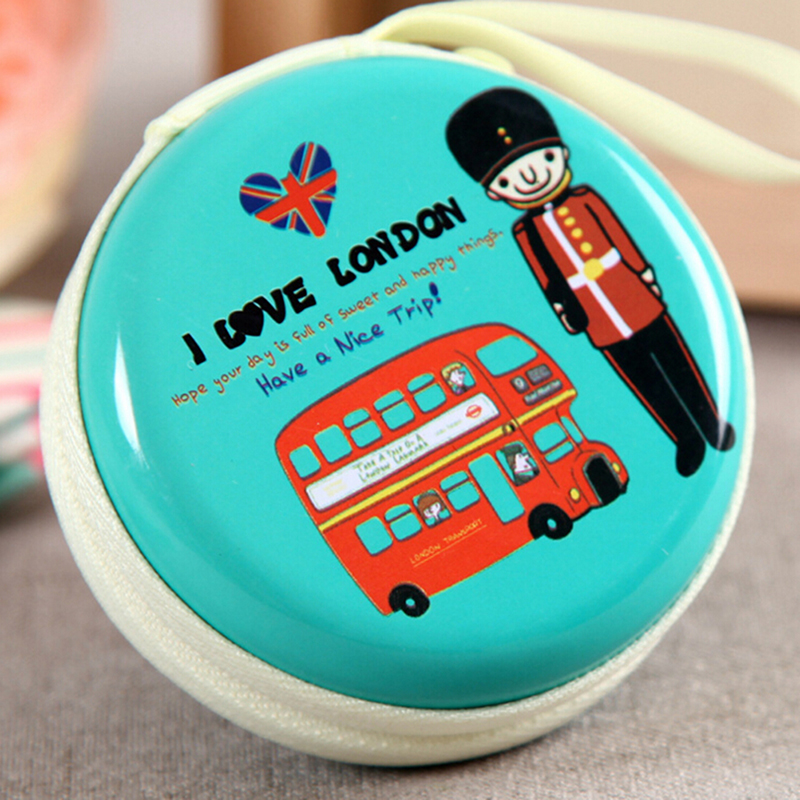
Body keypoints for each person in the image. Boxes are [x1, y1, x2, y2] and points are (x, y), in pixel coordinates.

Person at [446, 88, 735, 477]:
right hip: (595, 318)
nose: (531, 176)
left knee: (676, 360)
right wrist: (564, 313)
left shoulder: (585, 198)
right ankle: (685, 438)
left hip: (632, 293)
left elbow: (619, 236)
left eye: (544, 159)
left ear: (562, 154)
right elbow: (546, 279)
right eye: (510, 177)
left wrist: (644, 272)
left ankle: (710, 422)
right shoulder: (525, 232)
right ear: (496, 191)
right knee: (643, 381)